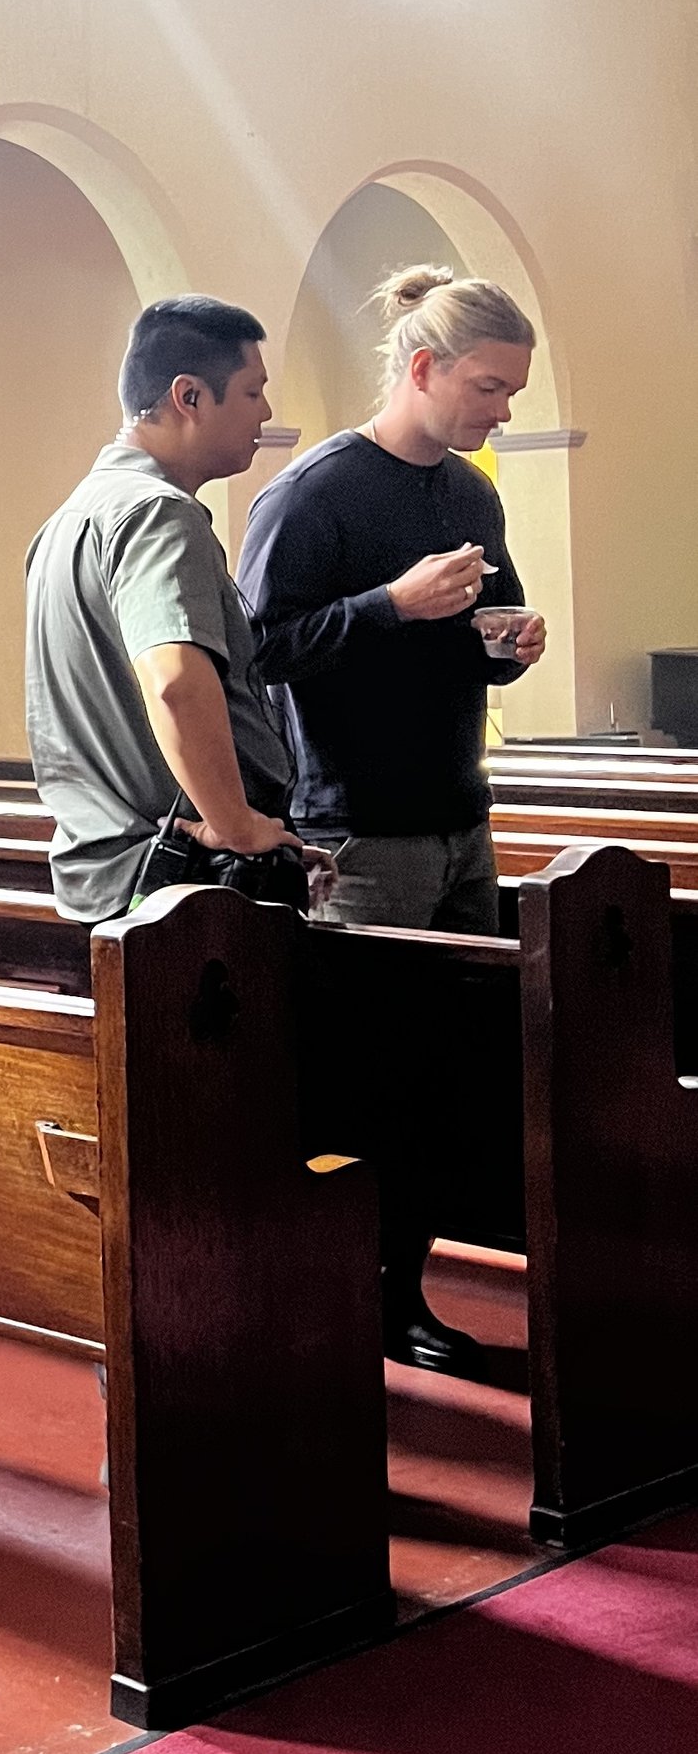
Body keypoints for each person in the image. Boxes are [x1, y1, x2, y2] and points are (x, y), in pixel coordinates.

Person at [237, 265, 542, 1374]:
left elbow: (476, 635)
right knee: (367, 1074)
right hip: (355, 824)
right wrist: (386, 605)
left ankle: (402, 1295)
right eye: (489, 386)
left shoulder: (471, 493)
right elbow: (258, 649)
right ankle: (350, 1300)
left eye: (512, 391)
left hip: (459, 810)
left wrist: (506, 647)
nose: (502, 409)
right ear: (422, 369)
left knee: (447, 1067)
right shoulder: (314, 491)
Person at [25, 297, 303, 931]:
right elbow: (176, 682)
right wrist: (237, 826)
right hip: (180, 888)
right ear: (190, 397)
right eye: (253, 392)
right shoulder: (158, 514)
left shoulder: (68, 520)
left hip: (117, 874)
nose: (265, 413)